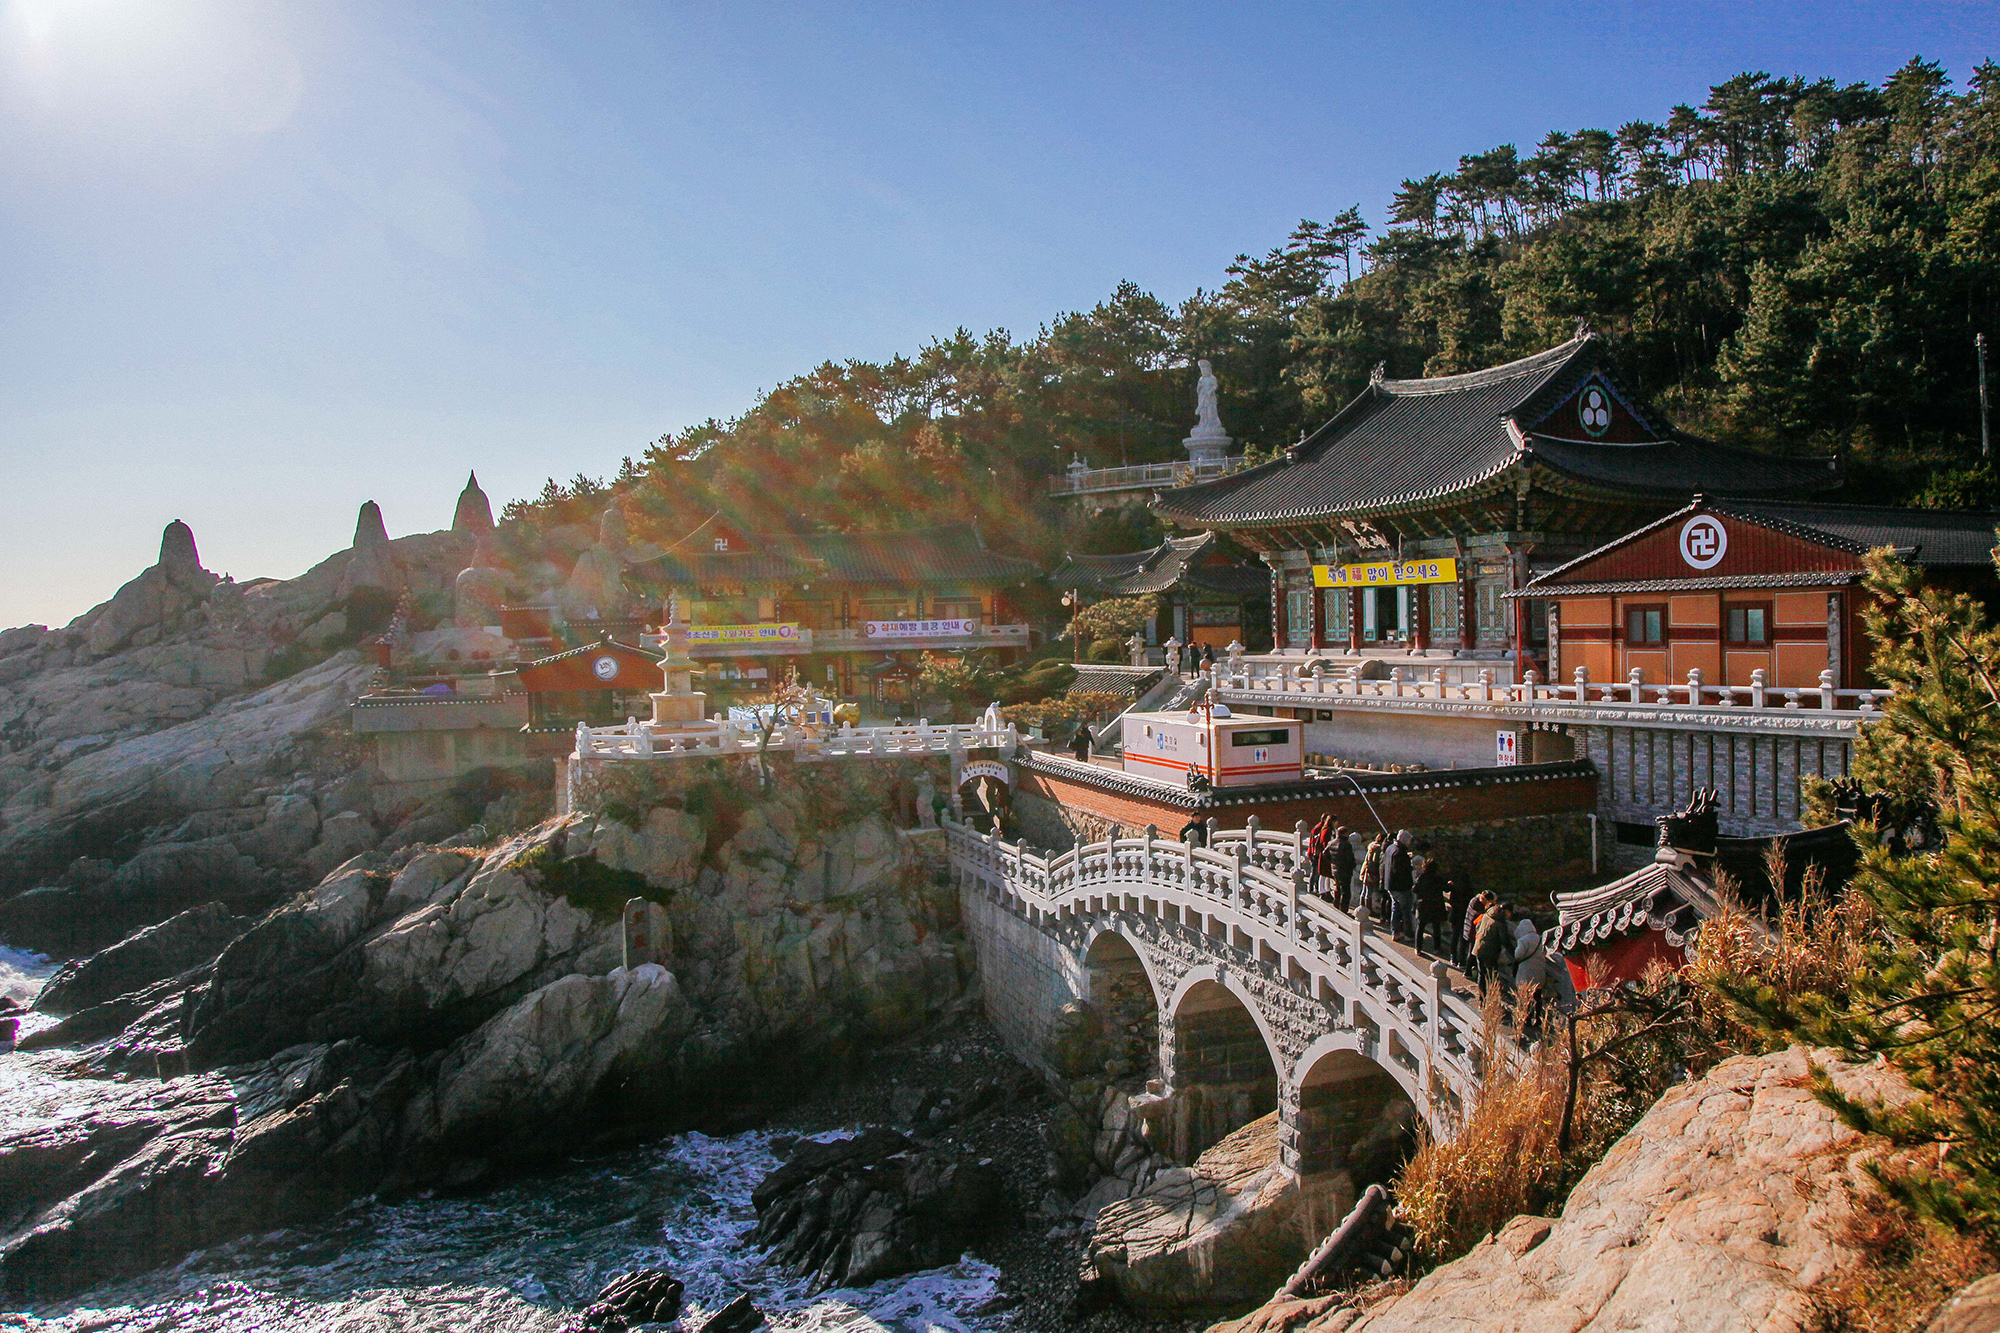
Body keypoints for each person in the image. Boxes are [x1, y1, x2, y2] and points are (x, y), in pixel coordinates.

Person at [1513, 914, 1548, 1039]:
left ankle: (1527, 1019)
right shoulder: (1540, 938)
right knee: (1537, 996)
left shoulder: (1523, 940)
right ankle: (1538, 1018)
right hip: (1539, 970)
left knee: (1526, 996)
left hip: (1526, 972)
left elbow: (1518, 955)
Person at [1472, 901, 1513, 1001]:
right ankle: (1492, 998)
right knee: (1492, 975)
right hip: (1490, 952)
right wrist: (1514, 953)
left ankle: (1482, 999)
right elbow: (1505, 940)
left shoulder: (1487, 914)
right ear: (1507, 911)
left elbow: (1477, 926)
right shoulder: (1500, 922)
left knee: (1481, 974)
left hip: (1478, 947)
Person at [1413, 853, 1449, 956]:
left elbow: (1415, 889)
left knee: (1420, 927)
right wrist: (1450, 885)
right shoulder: (1438, 878)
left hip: (1423, 905)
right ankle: (1436, 948)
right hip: (1436, 905)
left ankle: (1418, 948)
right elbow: (1446, 888)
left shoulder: (1421, 878)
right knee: (1436, 927)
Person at [1385, 829, 1416, 943]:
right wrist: (1411, 866)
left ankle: (1395, 932)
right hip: (1400, 886)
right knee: (1406, 910)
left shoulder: (1390, 848)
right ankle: (1408, 934)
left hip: (1390, 884)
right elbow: (1400, 870)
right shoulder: (1400, 853)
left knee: (1395, 908)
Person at [1446, 872, 1475, 969]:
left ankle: (1453, 957)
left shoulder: (1455, 888)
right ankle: (1462, 961)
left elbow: (1451, 901)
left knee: (1454, 936)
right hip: (1465, 916)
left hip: (1455, 914)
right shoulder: (1469, 890)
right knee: (1464, 938)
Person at [1330, 824, 1356, 912]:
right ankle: (1343, 910)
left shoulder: (1332, 843)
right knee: (1345, 891)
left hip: (1335, 869)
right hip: (1345, 870)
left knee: (1337, 888)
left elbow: (1325, 853)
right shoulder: (1346, 844)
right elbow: (1349, 859)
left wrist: (1332, 862)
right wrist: (1352, 866)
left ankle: (1336, 906)